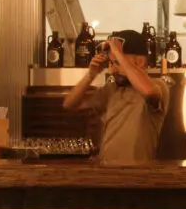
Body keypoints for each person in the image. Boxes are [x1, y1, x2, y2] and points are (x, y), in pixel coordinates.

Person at [62, 28, 168, 164]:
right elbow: (69, 104)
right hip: (108, 174)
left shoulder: (157, 86)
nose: (112, 69)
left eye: (117, 62)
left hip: (138, 176)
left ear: (140, 62)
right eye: (111, 63)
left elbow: (148, 91)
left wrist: (118, 54)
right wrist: (90, 75)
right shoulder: (111, 89)